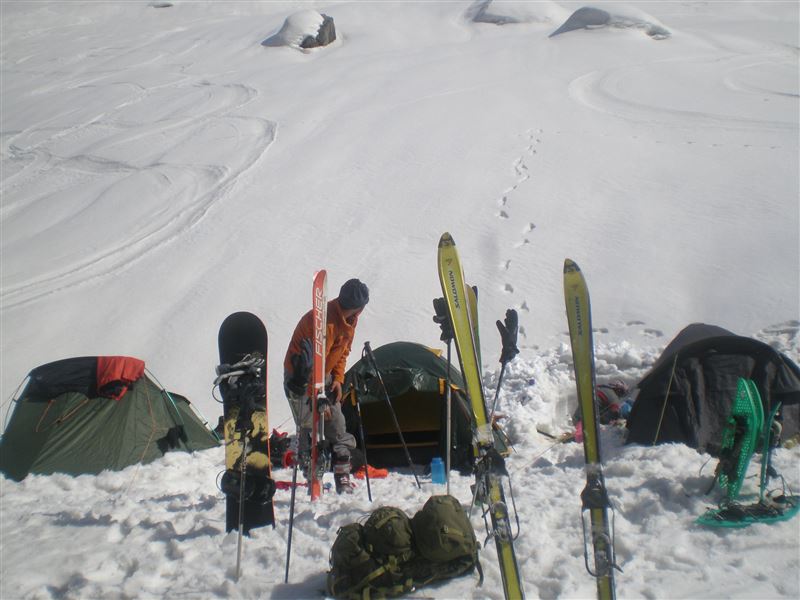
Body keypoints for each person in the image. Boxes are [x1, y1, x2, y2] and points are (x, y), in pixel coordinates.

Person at [283, 278, 369, 494]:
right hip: (301, 378)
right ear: (359, 307)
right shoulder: (324, 322)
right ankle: (311, 472)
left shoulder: (350, 320)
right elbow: (311, 363)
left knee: (337, 425)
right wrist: (318, 398)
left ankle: (342, 475)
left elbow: (343, 352)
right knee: (309, 425)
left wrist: (338, 380)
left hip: (326, 376)